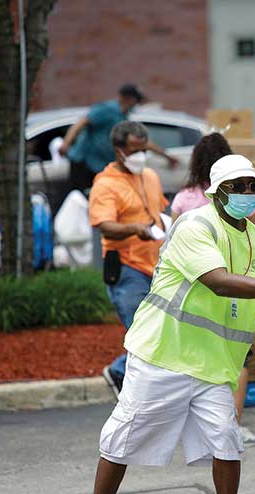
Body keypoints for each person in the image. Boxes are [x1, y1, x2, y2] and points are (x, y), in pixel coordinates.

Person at [72, 154, 255, 494]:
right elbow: (219, 282)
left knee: (227, 439)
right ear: (216, 193)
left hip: (214, 368)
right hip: (161, 356)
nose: (245, 194)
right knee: (120, 440)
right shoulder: (195, 225)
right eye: (236, 187)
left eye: (251, 186)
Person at [170, 132, 255, 441]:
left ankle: (196, 423)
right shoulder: (239, 199)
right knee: (238, 358)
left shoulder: (183, 199)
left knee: (195, 358)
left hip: (195, 292)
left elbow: (170, 240)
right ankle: (232, 422)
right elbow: (250, 239)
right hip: (236, 288)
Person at [89, 120, 169, 395]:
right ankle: (121, 373)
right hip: (126, 270)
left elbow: (159, 212)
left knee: (161, 333)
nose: (140, 156)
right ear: (118, 150)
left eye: (143, 149)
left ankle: (125, 375)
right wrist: (135, 229)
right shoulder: (106, 184)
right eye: (134, 150)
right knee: (145, 337)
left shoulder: (150, 176)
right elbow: (104, 225)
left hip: (157, 268)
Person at [59, 83, 178, 201]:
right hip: (83, 162)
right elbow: (81, 123)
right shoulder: (106, 110)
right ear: (127, 98)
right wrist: (66, 144)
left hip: (99, 166)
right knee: (80, 200)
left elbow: (141, 142)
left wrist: (166, 155)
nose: (135, 104)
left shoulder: (122, 118)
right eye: (135, 100)